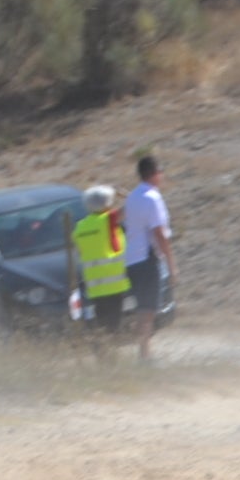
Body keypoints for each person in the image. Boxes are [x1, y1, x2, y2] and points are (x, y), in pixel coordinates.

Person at [121, 152, 174, 362]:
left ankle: (144, 352)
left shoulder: (133, 196)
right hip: (147, 257)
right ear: (153, 174)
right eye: (160, 171)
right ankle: (144, 355)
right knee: (148, 310)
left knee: (143, 308)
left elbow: (120, 216)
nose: (162, 175)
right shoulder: (152, 198)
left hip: (132, 259)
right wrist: (171, 264)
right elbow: (159, 233)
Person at [71, 185, 130, 345]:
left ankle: (102, 353)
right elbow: (130, 207)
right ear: (107, 203)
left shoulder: (80, 227)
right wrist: (125, 194)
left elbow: (79, 251)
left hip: (95, 286)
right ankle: (109, 357)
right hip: (115, 284)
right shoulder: (108, 219)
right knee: (114, 325)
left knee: (101, 323)